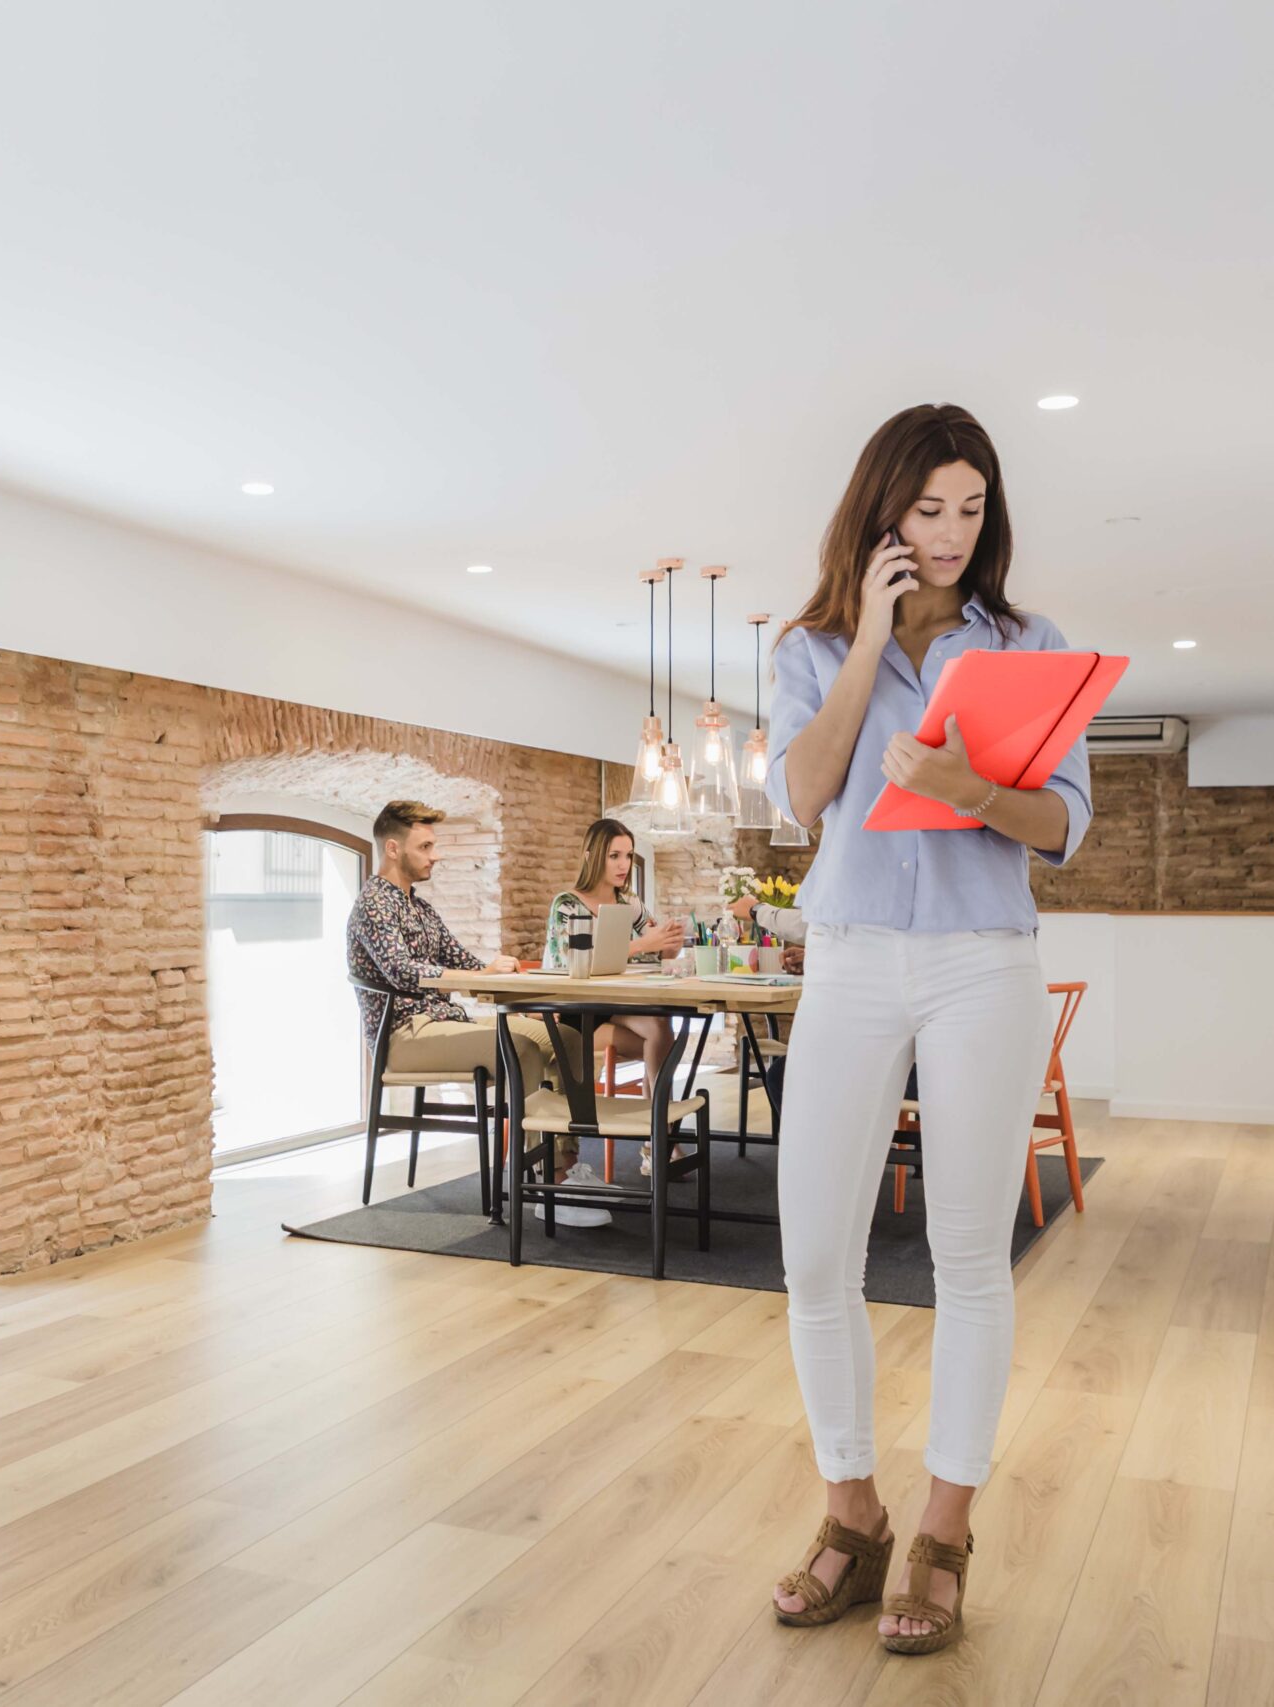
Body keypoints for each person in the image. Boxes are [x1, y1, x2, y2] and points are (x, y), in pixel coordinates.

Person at [761, 404, 1091, 1656]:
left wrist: (969, 791)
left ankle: (944, 1536)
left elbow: (1064, 826)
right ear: (881, 512)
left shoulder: (1029, 644)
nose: (950, 534)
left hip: (978, 966)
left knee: (966, 1254)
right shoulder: (807, 647)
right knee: (813, 1260)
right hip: (846, 961)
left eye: (970, 510)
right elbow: (803, 797)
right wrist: (861, 643)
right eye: (926, 510)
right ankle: (851, 1517)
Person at [347, 798, 608, 1228]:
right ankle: (540, 1183)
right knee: (519, 1047)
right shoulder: (375, 904)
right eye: (426, 846)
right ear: (393, 849)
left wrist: (495, 966)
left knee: (569, 1038)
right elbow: (403, 971)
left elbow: (461, 959)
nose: (437, 855)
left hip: (444, 1023)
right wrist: (475, 975)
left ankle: (566, 1163)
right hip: (404, 1037)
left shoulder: (419, 906)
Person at [544, 818, 686, 1174]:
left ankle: (657, 1138)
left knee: (659, 1025)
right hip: (580, 1015)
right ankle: (660, 1137)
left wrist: (669, 944)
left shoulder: (629, 902)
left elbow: (656, 953)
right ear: (593, 857)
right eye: (614, 856)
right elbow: (578, 961)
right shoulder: (567, 905)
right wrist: (644, 945)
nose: (624, 865)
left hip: (619, 1005)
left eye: (628, 855)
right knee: (662, 1038)